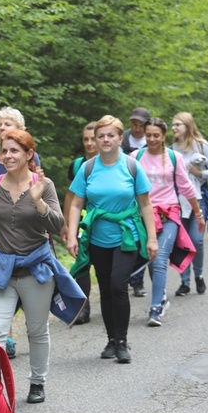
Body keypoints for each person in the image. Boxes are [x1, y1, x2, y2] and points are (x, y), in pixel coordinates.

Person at [0, 129, 78, 404]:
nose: (8, 156)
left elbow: (57, 226)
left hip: (36, 270)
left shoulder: (45, 184)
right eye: (4, 150)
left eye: (14, 151)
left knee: (36, 330)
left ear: (29, 154)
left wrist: (38, 200)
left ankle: (37, 382)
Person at [67, 115, 158, 364]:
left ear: (120, 138)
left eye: (110, 135)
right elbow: (76, 203)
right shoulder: (87, 168)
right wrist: (73, 234)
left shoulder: (131, 166)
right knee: (106, 289)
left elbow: (146, 204)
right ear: (95, 140)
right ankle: (111, 339)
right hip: (97, 237)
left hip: (126, 235)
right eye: (101, 136)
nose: (105, 140)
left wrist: (152, 239)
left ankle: (122, 341)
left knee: (118, 285)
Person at [0, 106, 41, 358]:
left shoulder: (30, 157)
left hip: (26, 233)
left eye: (8, 124)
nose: (2, 128)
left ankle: (28, 326)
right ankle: (6, 334)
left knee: (21, 282)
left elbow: (38, 191)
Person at [129, 117, 204, 326]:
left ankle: (155, 308)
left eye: (156, 135)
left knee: (159, 257)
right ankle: (160, 296)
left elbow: (186, 187)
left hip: (169, 214)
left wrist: (198, 213)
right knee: (151, 258)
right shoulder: (136, 157)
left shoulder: (173, 157)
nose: (152, 139)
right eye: (148, 135)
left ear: (163, 136)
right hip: (144, 215)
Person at [171, 112, 208, 296]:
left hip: (199, 199)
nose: (174, 128)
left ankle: (199, 275)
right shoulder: (171, 149)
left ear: (188, 126)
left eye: (177, 125)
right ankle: (184, 282)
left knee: (196, 240)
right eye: (173, 125)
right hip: (178, 201)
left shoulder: (201, 145)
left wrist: (197, 173)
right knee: (182, 242)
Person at [61, 122, 98, 325]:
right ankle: (83, 309)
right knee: (82, 262)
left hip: (104, 222)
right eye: (86, 139)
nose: (90, 143)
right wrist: (67, 225)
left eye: (93, 138)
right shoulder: (77, 165)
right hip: (83, 221)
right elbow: (71, 196)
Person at [121, 107, 151, 297]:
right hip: (126, 195)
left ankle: (137, 280)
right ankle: (130, 278)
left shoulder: (152, 139)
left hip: (147, 194)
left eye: (141, 125)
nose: (137, 129)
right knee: (131, 238)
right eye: (134, 124)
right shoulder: (122, 139)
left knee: (144, 240)